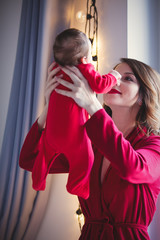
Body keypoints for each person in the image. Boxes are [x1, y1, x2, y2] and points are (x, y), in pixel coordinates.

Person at [19, 58, 160, 239]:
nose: (115, 79)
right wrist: (48, 106)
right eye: (115, 74)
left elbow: (131, 167)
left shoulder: (154, 144)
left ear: (142, 96)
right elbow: (30, 160)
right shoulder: (88, 141)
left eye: (128, 78)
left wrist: (92, 105)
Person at [31, 28, 121, 199]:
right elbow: (100, 85)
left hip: (51, 132)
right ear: (83, 58)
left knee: (44, 155)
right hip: (73, 136)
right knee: (85, 159)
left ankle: (38, 180)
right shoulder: (83, 68)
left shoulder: (55, 69)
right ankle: (76, 187)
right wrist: (114, 76)